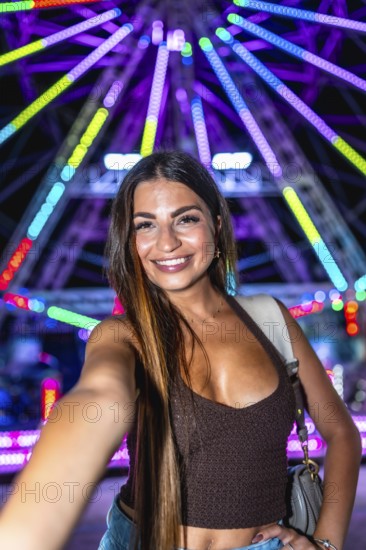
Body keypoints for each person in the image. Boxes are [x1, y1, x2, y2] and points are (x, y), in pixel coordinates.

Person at [0, 150, 362, 550]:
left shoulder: (270, 321)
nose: (167, 242)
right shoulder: (122, 335)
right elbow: (98, 400)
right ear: (131, 240)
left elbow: (341, 431)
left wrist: (327, 543)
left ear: (217, 225)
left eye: (186, 219)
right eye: (145, 225)